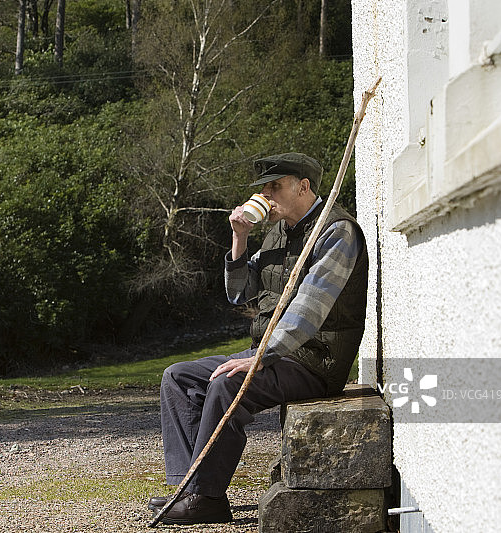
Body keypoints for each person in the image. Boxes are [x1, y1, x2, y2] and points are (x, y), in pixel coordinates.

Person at [149, 152, 369, 525]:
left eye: (275, 186)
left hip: (315, 360)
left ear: (303, 186)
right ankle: (188, 488)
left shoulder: (336, 231)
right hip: (271, 353)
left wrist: (261, 357)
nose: (267, 195)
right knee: (178, 378)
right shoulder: (277, 231)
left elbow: (309, 311)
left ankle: (208, 498)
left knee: (228, 384)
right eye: (265, 188)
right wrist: (240, 237)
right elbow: (240, 293)